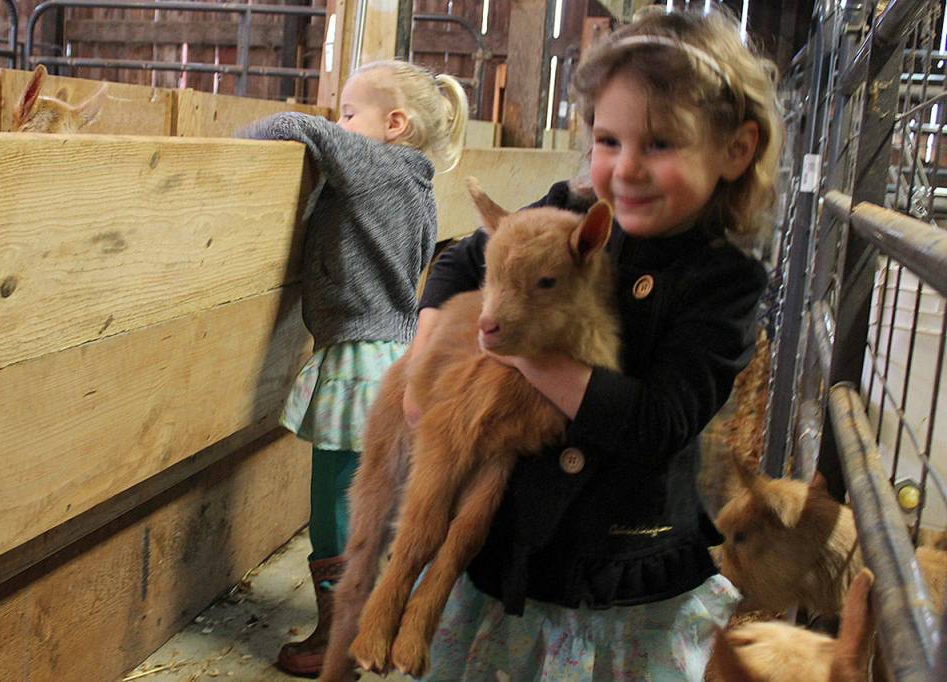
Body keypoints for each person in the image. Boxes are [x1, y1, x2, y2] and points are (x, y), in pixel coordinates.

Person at [405, 8, 784, 680]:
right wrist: (426, 344)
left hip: (622, 576)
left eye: (660, 145)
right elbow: (469, 258)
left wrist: (516, 346)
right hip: (509, 558)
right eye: (609, 140)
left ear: (735, 149)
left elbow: (656, 423)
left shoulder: (724, 281)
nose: (627, 168)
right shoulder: (570, 211)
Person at [237, 60, 468, 677]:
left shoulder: (377, 166)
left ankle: (334, 639)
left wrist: (226, 159)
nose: (337, 123)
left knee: (336, 500)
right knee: (373, 497)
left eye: (347, 113)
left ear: (395, 124)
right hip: (389, 353)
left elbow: (295, 125)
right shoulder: (416, 183)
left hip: (359, 355)